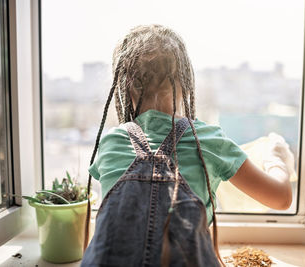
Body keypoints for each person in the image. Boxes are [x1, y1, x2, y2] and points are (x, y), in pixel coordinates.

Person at [83, 24, 293, 266]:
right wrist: (276, 157)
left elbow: (115, 229)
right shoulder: (207, 140)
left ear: (126, 87)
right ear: (185, 84)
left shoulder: (112, 142)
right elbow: (281, 198)